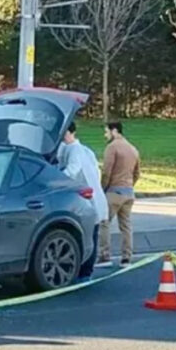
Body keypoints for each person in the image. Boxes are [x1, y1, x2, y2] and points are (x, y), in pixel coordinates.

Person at [57, 122, 108, 282]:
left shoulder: (75, 151)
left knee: (89, 236)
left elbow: (72, 171)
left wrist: (55, 181)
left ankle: (85, 272)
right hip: (89, 196)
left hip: (86, 198)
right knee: (90, 235)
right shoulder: (84, 150)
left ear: (70, 132)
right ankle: (85, 271)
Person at [97, 121, 141, 268]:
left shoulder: (112, 147)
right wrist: (129, 185)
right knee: (126, 226)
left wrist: (102, 189)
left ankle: (104, 256)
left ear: (114, 131)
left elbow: (106, 171)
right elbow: (137, 173)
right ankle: (126, 258)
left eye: (106, 132)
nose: (105, 135)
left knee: (104, 222)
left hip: (114, 191)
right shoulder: (133, 149)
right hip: (128, 192)